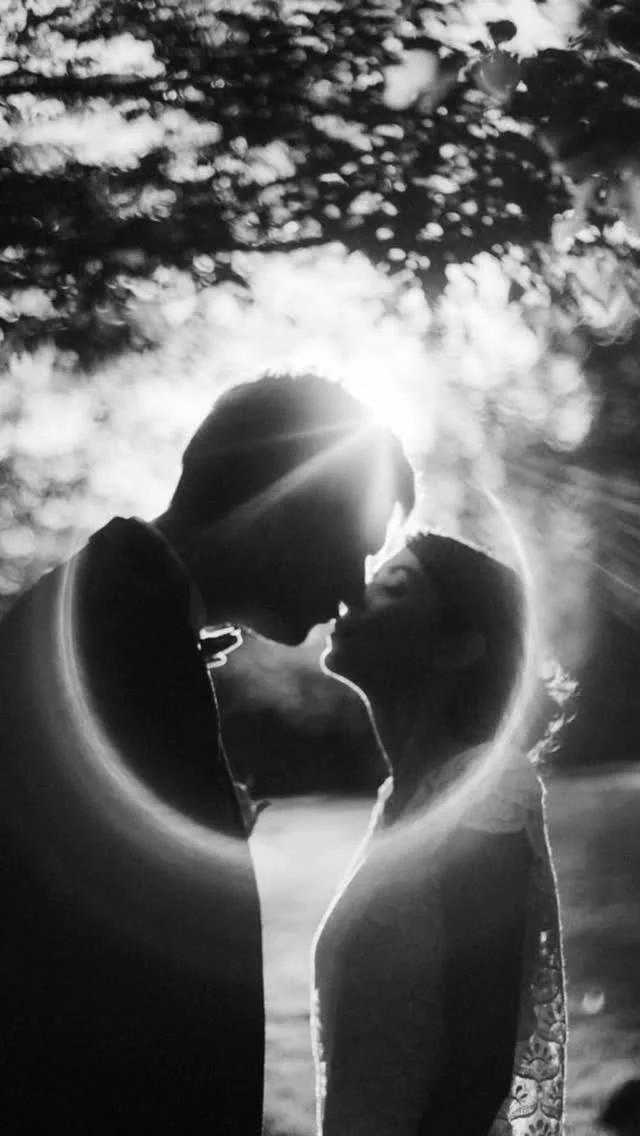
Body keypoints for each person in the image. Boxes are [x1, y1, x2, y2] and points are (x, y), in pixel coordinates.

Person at [0, 371, 414, 1135]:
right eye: (355, 551)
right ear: (288, 514)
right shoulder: (111, 649)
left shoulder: (121, 614)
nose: (355, 594)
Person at [312, 531, 567, 1136]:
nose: (353, 595)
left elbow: (480, 1064)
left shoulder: (487, 789)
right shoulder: (400, 802)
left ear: (457, 647)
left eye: (394, 587)